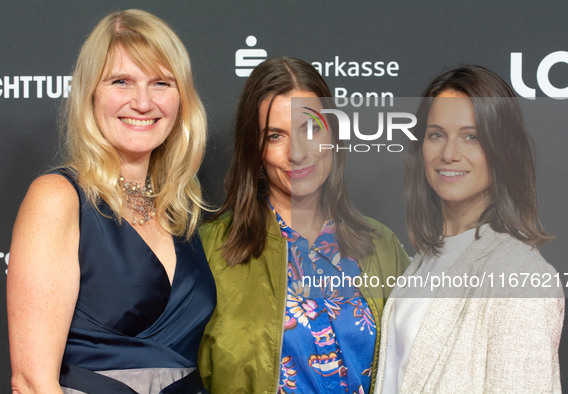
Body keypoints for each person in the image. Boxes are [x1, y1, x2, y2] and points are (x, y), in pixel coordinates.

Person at [7, 9, 215, 394]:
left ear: (181, 98)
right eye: (121, 81)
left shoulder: (175, 209)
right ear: (91, 93)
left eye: (161, 84)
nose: (142, 102)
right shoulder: (58, 198)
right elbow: (33, 382)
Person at [197, 57, 410, 394]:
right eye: (275, 136)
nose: (296, 153)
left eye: (310, 128)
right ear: (256, 148)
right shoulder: (211, 249)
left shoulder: (382, 245)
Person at [374, 65, 564, 393]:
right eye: (436, 134)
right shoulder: (425, 260)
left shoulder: (520, 273)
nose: (449, 154)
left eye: (471, 136)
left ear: (501, 150)